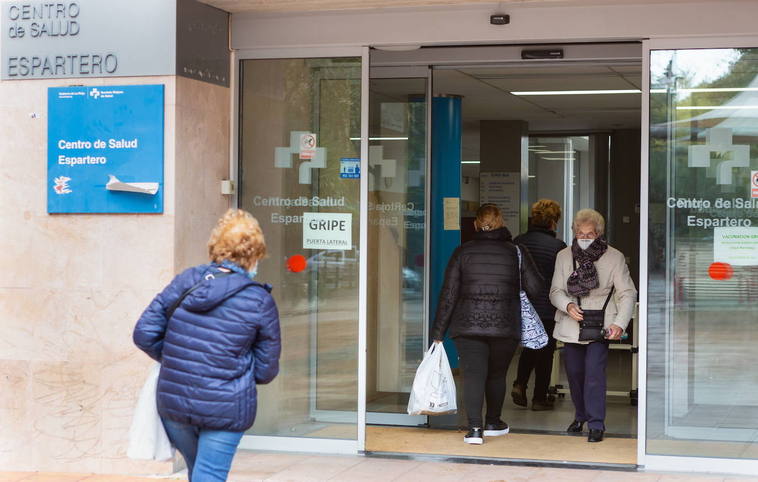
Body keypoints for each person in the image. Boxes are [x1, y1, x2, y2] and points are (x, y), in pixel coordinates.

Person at [133, 209, 281, 481]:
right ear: (255, 254)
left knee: (198, 472)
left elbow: (144, 333)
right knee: (209, 475)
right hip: (226, 406)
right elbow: (266, 370)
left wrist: (178, 360)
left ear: (216, 245)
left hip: (176, 403)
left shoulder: (187, 280)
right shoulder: (259, 300)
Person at [431, 204, 543, 445]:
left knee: (473, 375)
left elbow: (449, 294)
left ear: (475, 224)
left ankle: (474, 429)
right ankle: (493, 422)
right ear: (501, 221)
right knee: (496, 374)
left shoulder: (462, 252)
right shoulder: (516, 252)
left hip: (467, 326)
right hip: (505, 325)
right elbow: (536, 288)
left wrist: (438, 332)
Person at [550, 209, 636, 443]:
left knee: (594, 374)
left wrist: (620, 323)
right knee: (575, 374)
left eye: (589, 233)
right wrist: (567, 306)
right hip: (572, 322)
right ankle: (580, 416)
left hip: (602, 324)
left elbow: (627, 293)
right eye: (579, 233)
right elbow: (556, 290)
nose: (584, 237)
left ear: (599, 234)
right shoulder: (564, 256)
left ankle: (596, 423)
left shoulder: (614, 257)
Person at [512, 199, 567, 411]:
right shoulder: (559, 247)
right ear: (553, 222)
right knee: (545, 352)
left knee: (529, 346)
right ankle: (539, 398)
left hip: (522, 305)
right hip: (547, 307)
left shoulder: (518, 241)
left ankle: (520, 383)